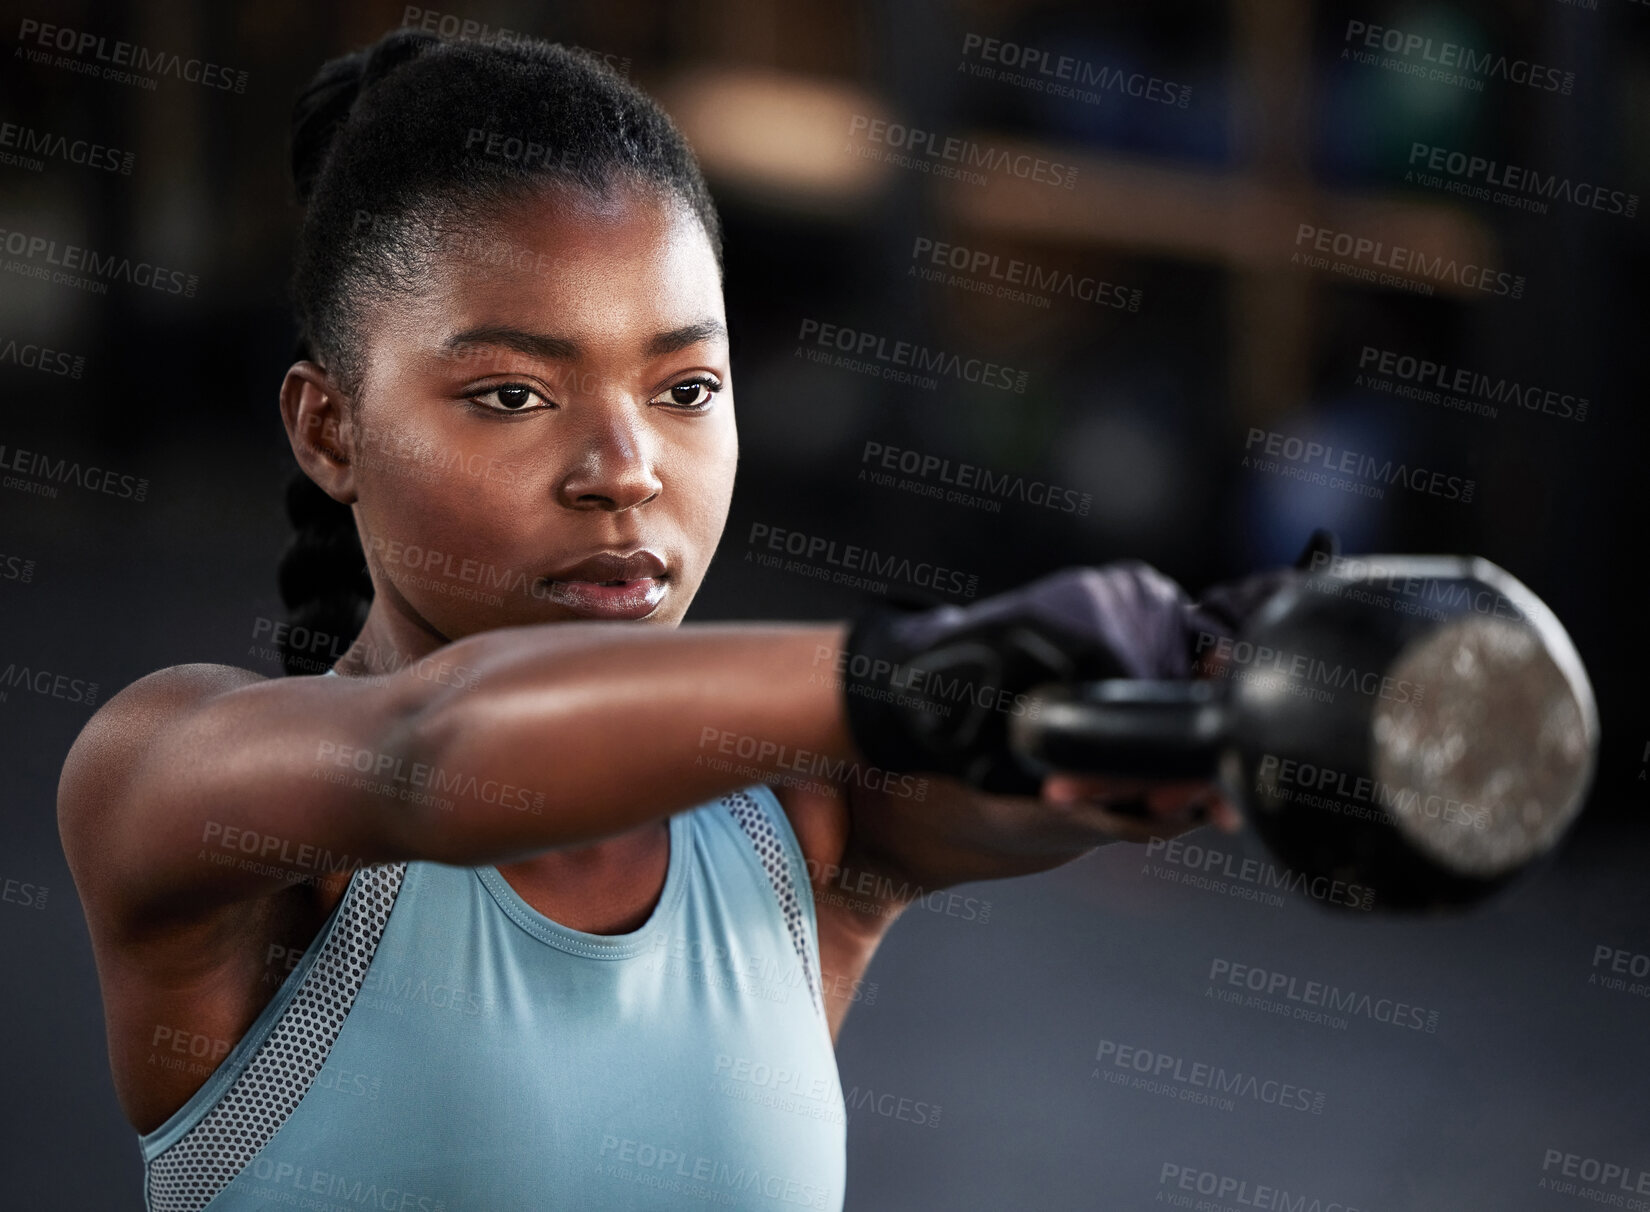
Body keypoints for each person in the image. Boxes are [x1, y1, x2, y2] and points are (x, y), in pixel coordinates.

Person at [56, 29, 1245, 1212]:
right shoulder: (171, 776)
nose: (625, 470)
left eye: (686, 390)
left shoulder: (810, 829)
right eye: (513, 395)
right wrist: (906, 676)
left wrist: (1252, 685)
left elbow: (1091, 756)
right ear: (329, 431)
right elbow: (433, 755)